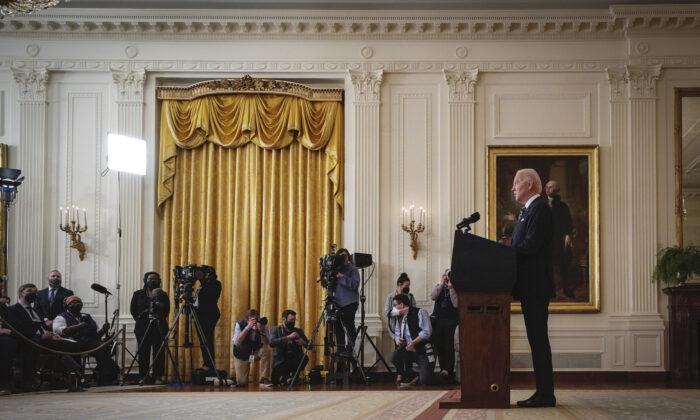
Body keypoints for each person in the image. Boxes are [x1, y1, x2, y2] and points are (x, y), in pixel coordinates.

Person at [510, 168, 556, 408]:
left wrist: (505, 252)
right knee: (536, 340)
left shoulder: (540, 209)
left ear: (529, 184)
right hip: (529, 287)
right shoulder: (528, 211)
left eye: (516, 183)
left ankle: (546, 394)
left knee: (538, 340)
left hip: (536, 287)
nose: (513, 187)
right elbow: (521, 244)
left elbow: (531, 245)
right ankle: (542, 392)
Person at [7, 284, 80, 389]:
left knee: (68, 344)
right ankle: (29, 381)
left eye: (35, 291)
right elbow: (18, 329)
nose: (33, 293)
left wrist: (51, 334)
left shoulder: (35, 311)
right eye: (29, 291)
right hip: (27, 340)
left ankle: (61, 377)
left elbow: (39, 327)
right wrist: (41, 336)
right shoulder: (13, 310)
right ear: (20, 294)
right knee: (33, 345)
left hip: (42, 339)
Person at [53, 295, 119, 385]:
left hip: (89, 343)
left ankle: (105, 378)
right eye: (73, 302)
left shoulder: (87, 316)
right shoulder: (61, 317)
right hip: (73, 343)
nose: (77, 304)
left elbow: (96, 335)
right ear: (67, 305)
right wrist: (79, 326)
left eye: (79, 302)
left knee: (103, 347)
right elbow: (60, 331)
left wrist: (103, 330)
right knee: (74, 347)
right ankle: (77, 380)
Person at [130, 272, 168, 384]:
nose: (153, 281)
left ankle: (158, 376)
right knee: (143, 351)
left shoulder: (163, 294)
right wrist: (142, 319)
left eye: (156, 279)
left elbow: (166, 310)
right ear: (145, 280)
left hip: (159, 326)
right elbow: (133, 311)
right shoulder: (137, 294)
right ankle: (144, 376)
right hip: (142, 327)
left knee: (159, 352)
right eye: (151, 279)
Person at [389, 293, 434, 387]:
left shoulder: (420, 312)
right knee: (394, 356)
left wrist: (413, 342)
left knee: (425, 380)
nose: (394, 308)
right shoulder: (399, 318)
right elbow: (397, 333)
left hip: (423, 351)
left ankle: (440, 377)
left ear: (401, 305)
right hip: (408, 351)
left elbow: (427, 332)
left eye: (395, 305)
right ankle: (411, 375)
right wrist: (397, 339)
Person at [545, 180, 575, 299]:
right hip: (545, 240)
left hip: (558, 240)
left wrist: (567, 235)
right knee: (546, 266)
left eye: (551, 187)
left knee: (562, 265)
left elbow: (568, 221)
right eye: (546, 187)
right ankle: (550, 290)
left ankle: (566, 289)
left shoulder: (562, 206)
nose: (547, 189)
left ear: (556, 190)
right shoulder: (541, 204)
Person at [430, 268, 458, 381]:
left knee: (449, 345)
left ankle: (449, 370)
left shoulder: (456, 289)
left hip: (451, 320)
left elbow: (456, 304)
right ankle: (442, 370)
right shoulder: (439, 286)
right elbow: (433, 297)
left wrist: (451, 288)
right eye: (447, 275)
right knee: (439, 345)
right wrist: (442, 283)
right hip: (438, 320)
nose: (448, 277)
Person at [232, 309, 272, 387]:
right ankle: (235, 379)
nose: (255, 322)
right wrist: (247, 328)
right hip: (241, 353)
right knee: (242, 383)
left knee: (266, 351)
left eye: (256, 319)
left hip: (255, 352)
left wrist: (262, 332)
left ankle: (264, 378)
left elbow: (267, 343)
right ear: (247, 320)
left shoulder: (263, 325)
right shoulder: (239, 324)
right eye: (252, 320)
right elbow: (237, 342)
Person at [268, 309, 309, 385]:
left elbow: (309, 345)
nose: (293, 322)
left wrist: (302, 342)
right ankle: (287, 379)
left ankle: (294, 378)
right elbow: (271, 343)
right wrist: (288, 337)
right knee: (276, 381)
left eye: (294, 320)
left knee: (304, 357)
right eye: (291, 320)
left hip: (294, 360)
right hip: (280, 362)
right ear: (284, 319)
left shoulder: (298, 331)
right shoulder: (275, 329)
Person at [193, 269, 221, 371]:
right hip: (199, 315)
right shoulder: (201, 285)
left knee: (206, 340)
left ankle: (209, 364)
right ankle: (207, 363)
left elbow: (210, 296)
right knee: (202, 340)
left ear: (209, 274)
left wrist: (202, 280)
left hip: (209, 315)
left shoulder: (216, 284)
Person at [333, 248, 360, 353]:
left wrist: (342, 276)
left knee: (349, 327)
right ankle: (340, 350)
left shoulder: (353, 269)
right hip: (337, 303)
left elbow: (355, 285)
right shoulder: (335, 269)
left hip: (349, 302)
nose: (343, 258)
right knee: (338, 328)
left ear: (348, 257)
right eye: (340, 256)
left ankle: (349, 349)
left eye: (344, 256)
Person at [384, 273, 417, 341]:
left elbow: (414, 311)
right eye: (406, 286)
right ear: (400, 284)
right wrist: (399, 312)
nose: (408, 288)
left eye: (409, 286)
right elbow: (387, 313)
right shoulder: (390, 297)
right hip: (395, 328)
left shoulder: (410, 297)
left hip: (408, 328)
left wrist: (409, 311)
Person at [0, 300, 17, 395]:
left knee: (9, 342)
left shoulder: (1, 305)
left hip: (2, 335)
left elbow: (8, 322)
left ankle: (4, 383)